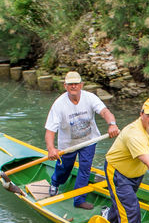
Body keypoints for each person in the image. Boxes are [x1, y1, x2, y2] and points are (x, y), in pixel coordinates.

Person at [45, 71, 119, 210]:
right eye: (70, 84)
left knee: (85, 169)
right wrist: (51, 149)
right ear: (65, 86)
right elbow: (50, 130)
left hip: (88, 141)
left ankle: (79, 199)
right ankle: (55, 183)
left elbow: (104, 112)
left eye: (76, 84)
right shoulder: (59, 104)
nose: (74, 87)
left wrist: (112, 124)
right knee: (64, 169)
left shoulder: (90, 97)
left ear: (81, 85)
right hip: (68, 145)